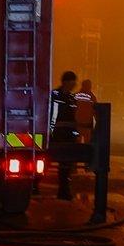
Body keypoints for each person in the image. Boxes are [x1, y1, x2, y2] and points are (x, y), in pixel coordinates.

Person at [50, 70, 78, 199]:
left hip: (68, 135)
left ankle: (63, 191)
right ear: (66, 82)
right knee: (46, 160)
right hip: (56, 134)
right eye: (72, 82)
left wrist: (75, 134)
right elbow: (52, 115)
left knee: (66, 165)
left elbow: (74, 117)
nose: (74, 84)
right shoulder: (55, 95)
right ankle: (35, 186)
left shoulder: (72, 97)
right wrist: (50, 132)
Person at [74, 79, 97, 144]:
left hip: (77, 124)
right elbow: (95, 110)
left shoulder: (76, 95)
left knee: (77, 143)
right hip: (87, 124)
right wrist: (97, 120)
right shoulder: (92, 97)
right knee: (88, 143)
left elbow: (73, 109)